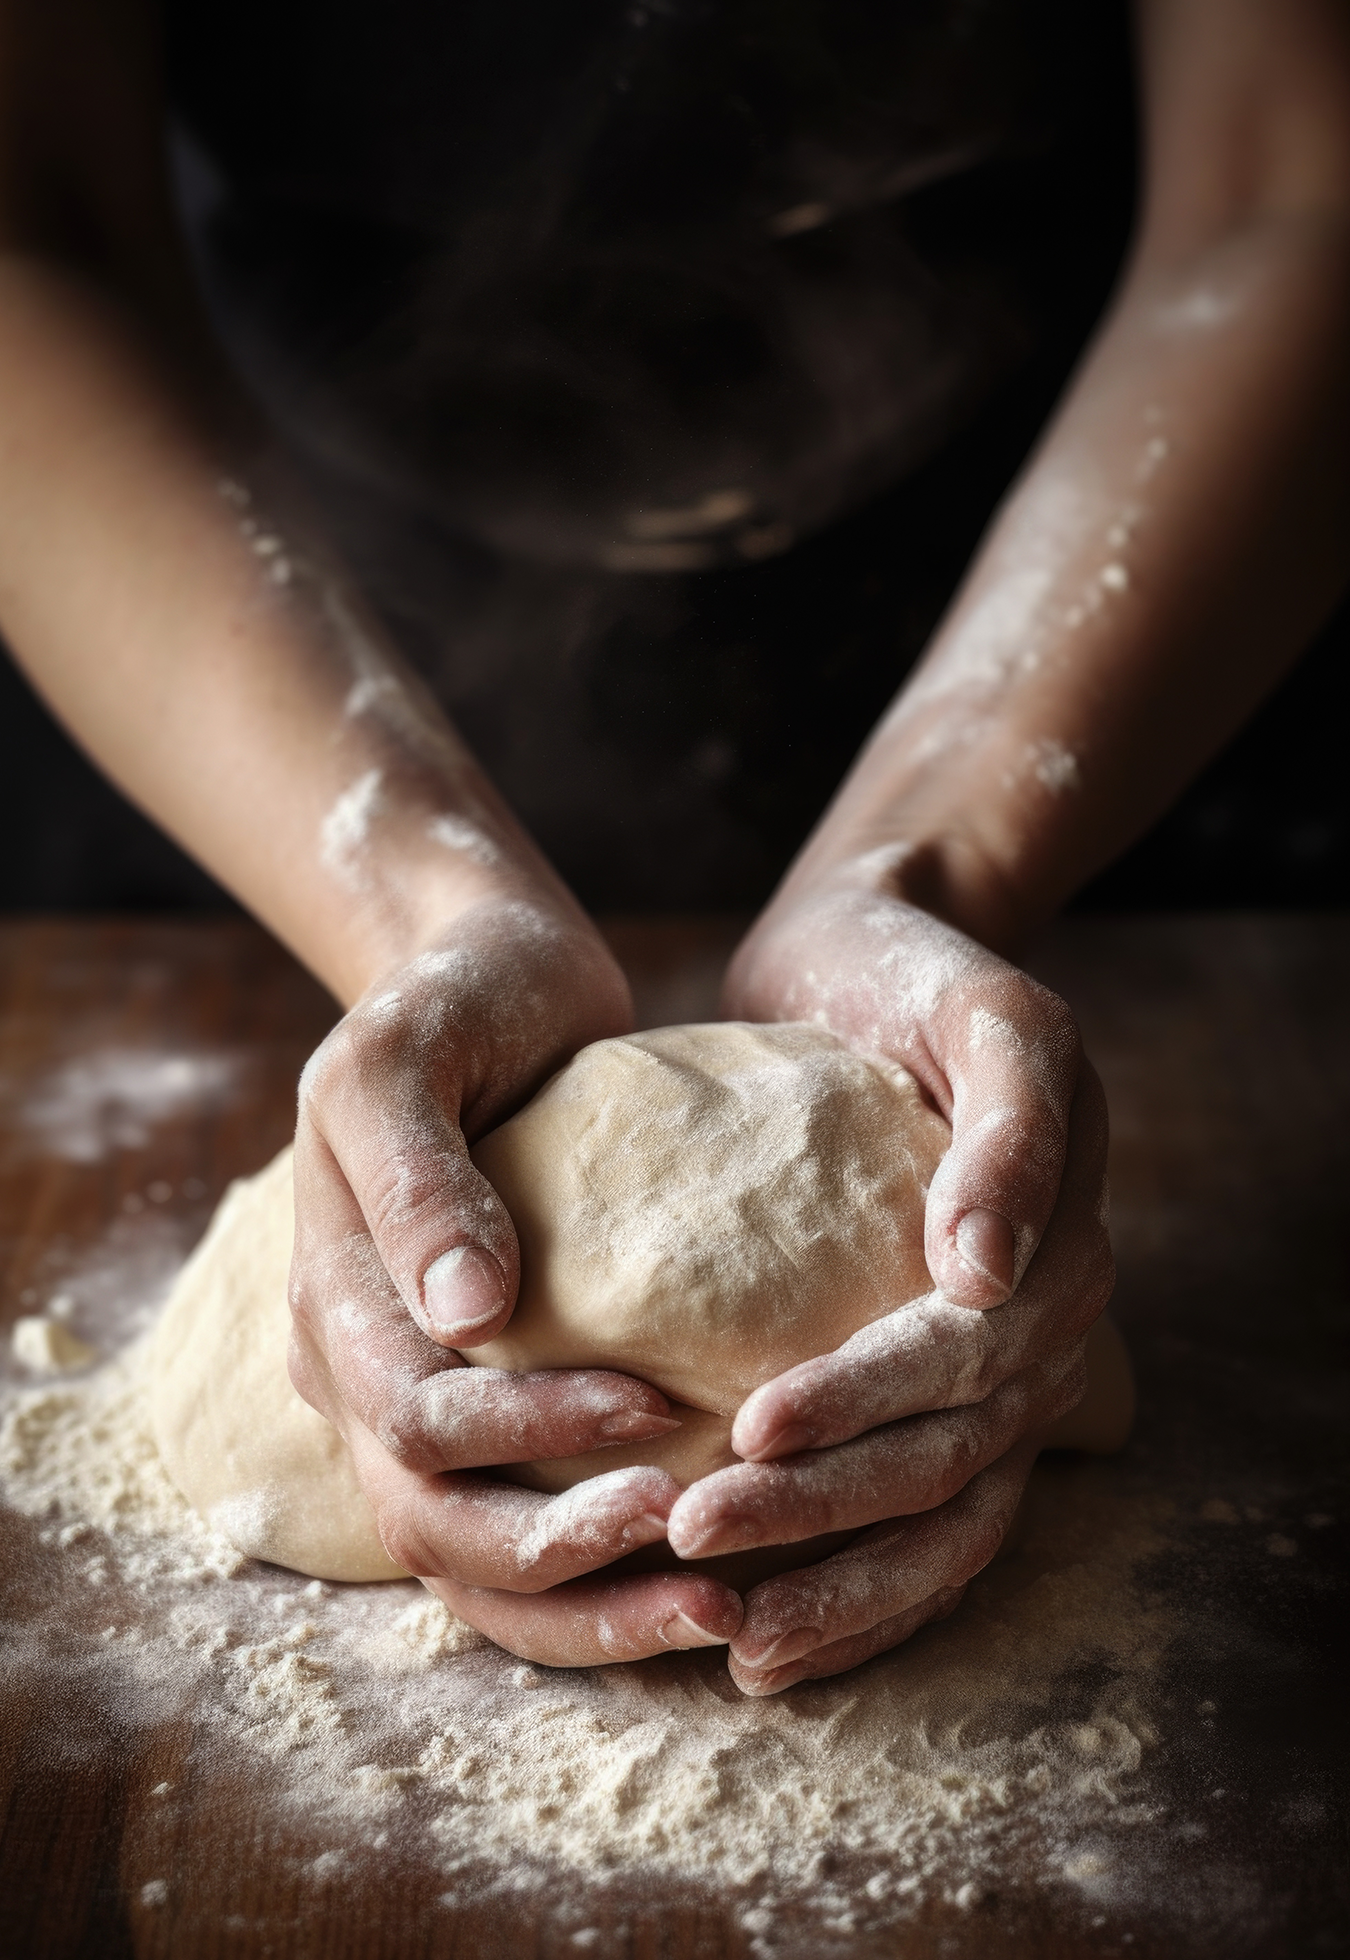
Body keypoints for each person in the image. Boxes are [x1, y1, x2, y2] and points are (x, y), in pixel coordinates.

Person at [0, 0, 1346, 1695]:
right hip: (248, 587)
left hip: (1083, 561)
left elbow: (1289, 184)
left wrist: (919, 870)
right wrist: (419, 907)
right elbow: (26, 221)